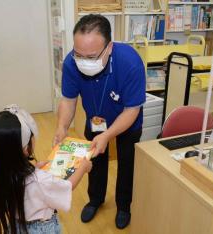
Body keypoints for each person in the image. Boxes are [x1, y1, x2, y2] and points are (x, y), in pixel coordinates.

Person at [53, 14, 146, 229]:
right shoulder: (70, 63)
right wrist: (61, 127)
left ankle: (124, 205)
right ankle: (95, 199)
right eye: (79, 54)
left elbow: (132, 109)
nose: (84, 60)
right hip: (95, 120)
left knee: (126, 163)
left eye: (92, 56)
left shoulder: (130, 63)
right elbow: (68, 100)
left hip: (127, 122)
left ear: (109, 47)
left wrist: (107, 135)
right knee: (94, 161)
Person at [0, 104, 92, 234]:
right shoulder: (39, 180)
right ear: (26, 148)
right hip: (42, 229)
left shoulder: (1, 173)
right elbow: (67, 186)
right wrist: (83, 167)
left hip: (18, 226)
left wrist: (35, 168)